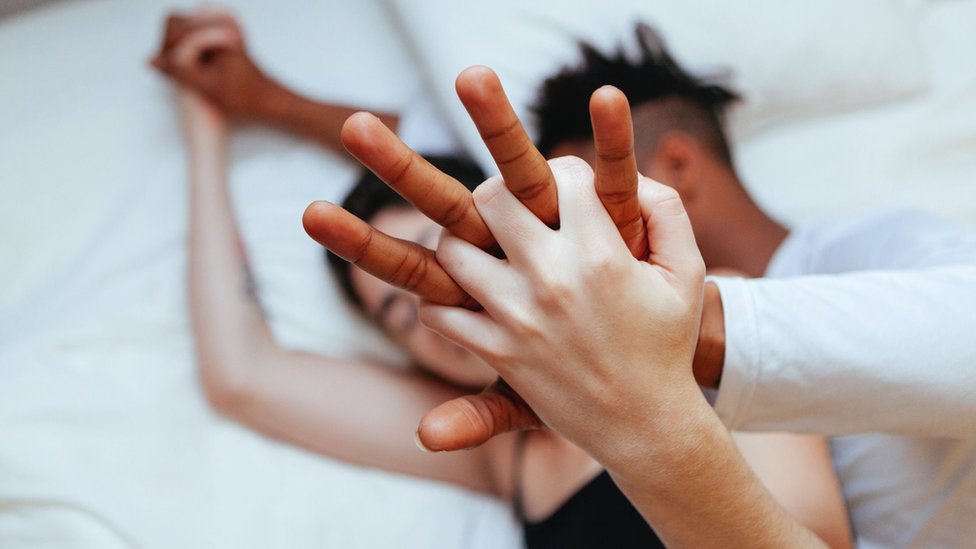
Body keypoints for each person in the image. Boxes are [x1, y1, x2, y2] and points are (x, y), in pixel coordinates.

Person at [156, 11, 853, 549]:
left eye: (441, 254)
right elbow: (242, 374)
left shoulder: (699, 313)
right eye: (403, 314)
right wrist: (202, 120)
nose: (436, 294)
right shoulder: (502, 451)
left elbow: (819, 535)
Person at [307, 24, 976, 549]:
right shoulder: (585, 384)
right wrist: (262, 100)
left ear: (675, 165)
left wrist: (694, 336)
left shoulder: (878, 255)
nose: (573, 237)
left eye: (590, 200)